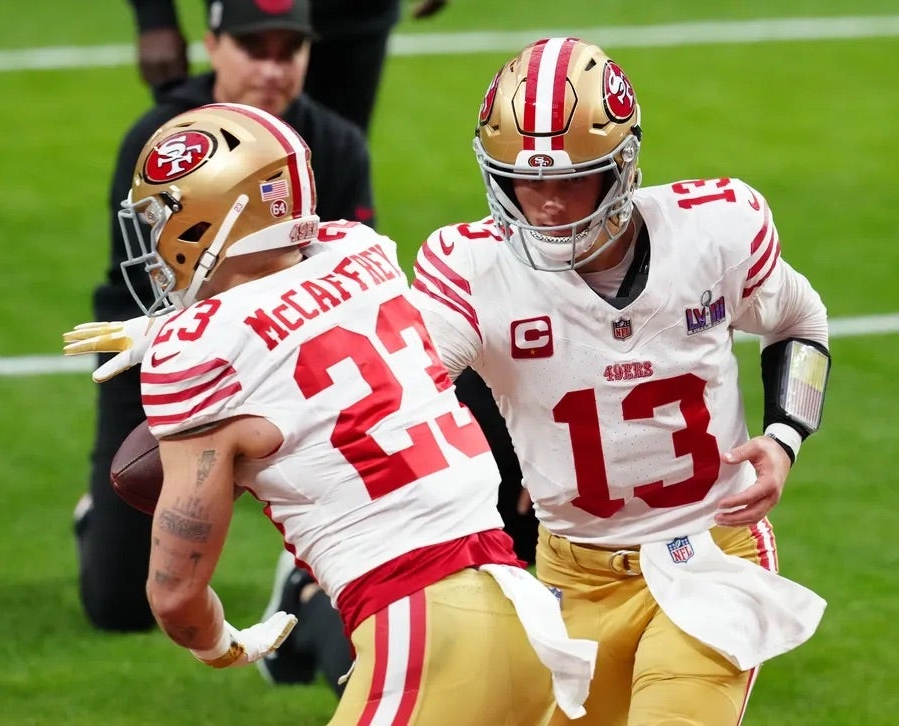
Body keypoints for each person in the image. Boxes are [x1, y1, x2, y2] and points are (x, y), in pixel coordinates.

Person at [68, 102, 596, 723]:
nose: (155, 241)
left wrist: (223, 645)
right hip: (519, 608)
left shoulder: (198, 354)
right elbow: (292, 314)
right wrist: (164, 329)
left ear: (215, 216)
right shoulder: (361, 254)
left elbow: (175, 593)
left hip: (424, 628)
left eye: (163, 216)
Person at [408, 37, 831, 725]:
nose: (544, 204)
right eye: (524, 179)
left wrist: (784, 437)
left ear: (622, 166)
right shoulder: (471, 270)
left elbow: (801, 321)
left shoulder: (714, 233)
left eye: (570, 178)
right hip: (571, 576)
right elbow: (406, 391)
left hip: (709, 556)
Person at [76, 0, 376, 633]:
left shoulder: (337, 142)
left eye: (287, 51)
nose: (271, 69)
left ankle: (306, 570)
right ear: (212, 45)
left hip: (290, 361)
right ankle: (97, 515)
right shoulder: (161, 142)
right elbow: (141, 284)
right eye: (253, 48)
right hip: (160, 352)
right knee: (118, 606)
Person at [128, 0, 451, 133]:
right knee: (231, 161)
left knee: (336, 159)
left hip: (355, 19)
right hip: (250, 20)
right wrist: (153, 15)